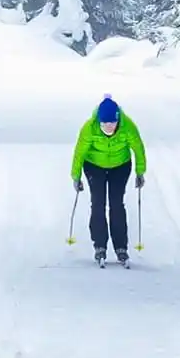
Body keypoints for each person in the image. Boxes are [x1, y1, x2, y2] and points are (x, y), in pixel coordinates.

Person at [70, 94, 147, 265]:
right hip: (94, 166)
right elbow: (79, 152)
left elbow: (138, 148)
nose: (109, 127)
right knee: (98, 203)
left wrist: (140, 172)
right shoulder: (89, 128)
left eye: (112, 123)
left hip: (120, 166)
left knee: (116, 204)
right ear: (99, 121)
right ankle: (100, 245)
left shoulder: (128, 126)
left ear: (118, 120)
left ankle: (121, 247)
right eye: (105, 123)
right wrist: (76, 176)